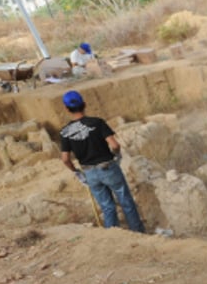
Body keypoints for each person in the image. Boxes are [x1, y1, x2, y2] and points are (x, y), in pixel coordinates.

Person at [59, 89, 146, 234]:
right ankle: (138, 233)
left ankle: (112, 236)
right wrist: (117, 156)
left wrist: (76, 172)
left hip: (89, 173)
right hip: (108, 167)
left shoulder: (65, 132)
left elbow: (65, 159)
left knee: (107, 207)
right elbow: (115, 145)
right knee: (126, 202)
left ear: (67, 109)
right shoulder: (97, 122)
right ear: (84, 104)